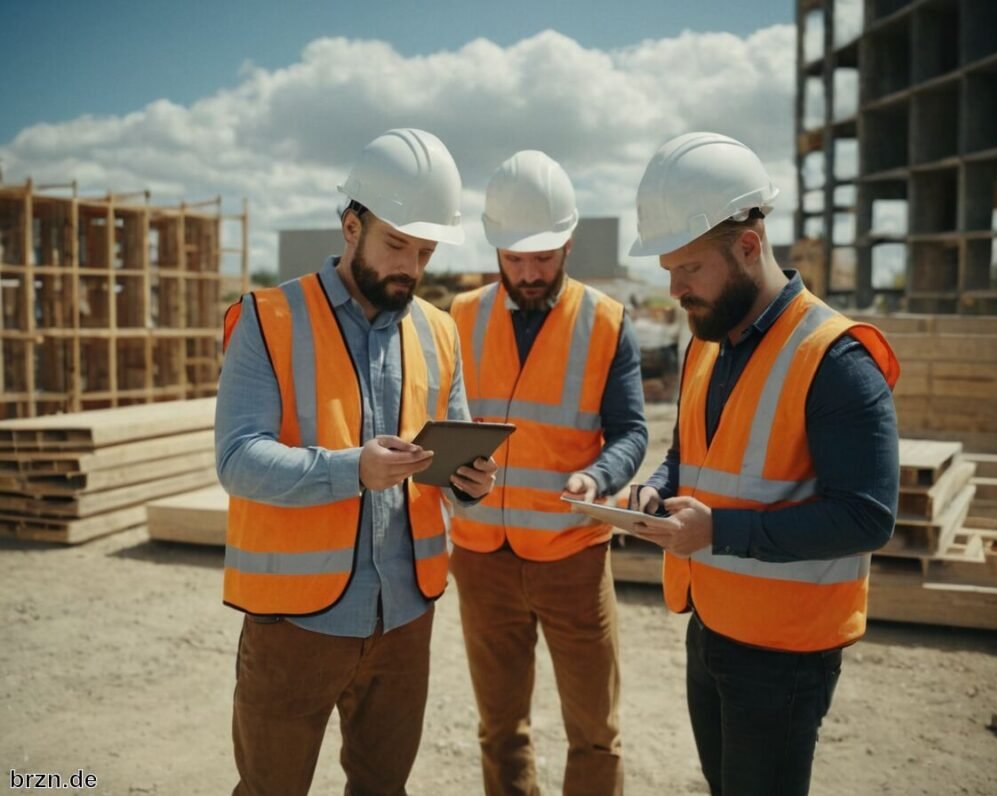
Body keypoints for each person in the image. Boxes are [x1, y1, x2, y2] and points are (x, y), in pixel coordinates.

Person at [214, 128, 497, 796]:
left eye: (424, 251)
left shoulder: (439, 330)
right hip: (295, 625)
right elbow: (238, 459)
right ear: (351, 225)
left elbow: (453, 464)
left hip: (405, 619)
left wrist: (472, 484)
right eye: (396, 243)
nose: (411, 265)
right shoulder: (267, 317)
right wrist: (352, 470)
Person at [626, 132, 901, 796]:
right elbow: (691, 455)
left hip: (786, 654)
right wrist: (656, 492)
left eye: (689, 268)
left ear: (748, 246)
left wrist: (719, 533)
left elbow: (866, 517)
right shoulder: (708, 342)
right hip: (712, 623)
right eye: (669, 269)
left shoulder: (836, 359)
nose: (675, 288)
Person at [448, 150, 648, 796]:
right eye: (515, 258)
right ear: (495, 245)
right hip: (481, 557)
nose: (529, 273)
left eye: (543, 258)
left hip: (572, 557)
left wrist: (599, 476)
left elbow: (632, 431)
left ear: (568, 241)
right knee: (498, 727)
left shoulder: (608, 323)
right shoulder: (458, 319)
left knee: (594, 732)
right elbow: (437, 424)